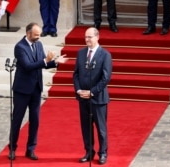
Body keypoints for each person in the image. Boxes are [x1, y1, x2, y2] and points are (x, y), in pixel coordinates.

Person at [8, 22, 68, 160]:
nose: (38, 37)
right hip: (22, 90)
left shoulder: (38, 45)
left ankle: (30, 149)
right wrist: (46, 60)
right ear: (28, 33)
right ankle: (12, 148)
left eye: (39, 35)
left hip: (36, 89)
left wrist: (55, 62)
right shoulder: (20, 47)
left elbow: (42, 63)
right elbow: (29, 66)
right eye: (36, 35)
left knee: (35, 120)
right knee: (17, 120)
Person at [73, 27, 112, 165]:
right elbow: (76, 74)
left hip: (98, 98)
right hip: (83, 98)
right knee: (86, 127)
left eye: (89, 37)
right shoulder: (81, 53)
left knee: (101, 128)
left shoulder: (105, 55)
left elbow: (106, 78)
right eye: (85, 37)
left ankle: (103, 153)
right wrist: (78, 90)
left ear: (97, 37)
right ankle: (89, 152)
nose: (87, 40)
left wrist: (92, 91)